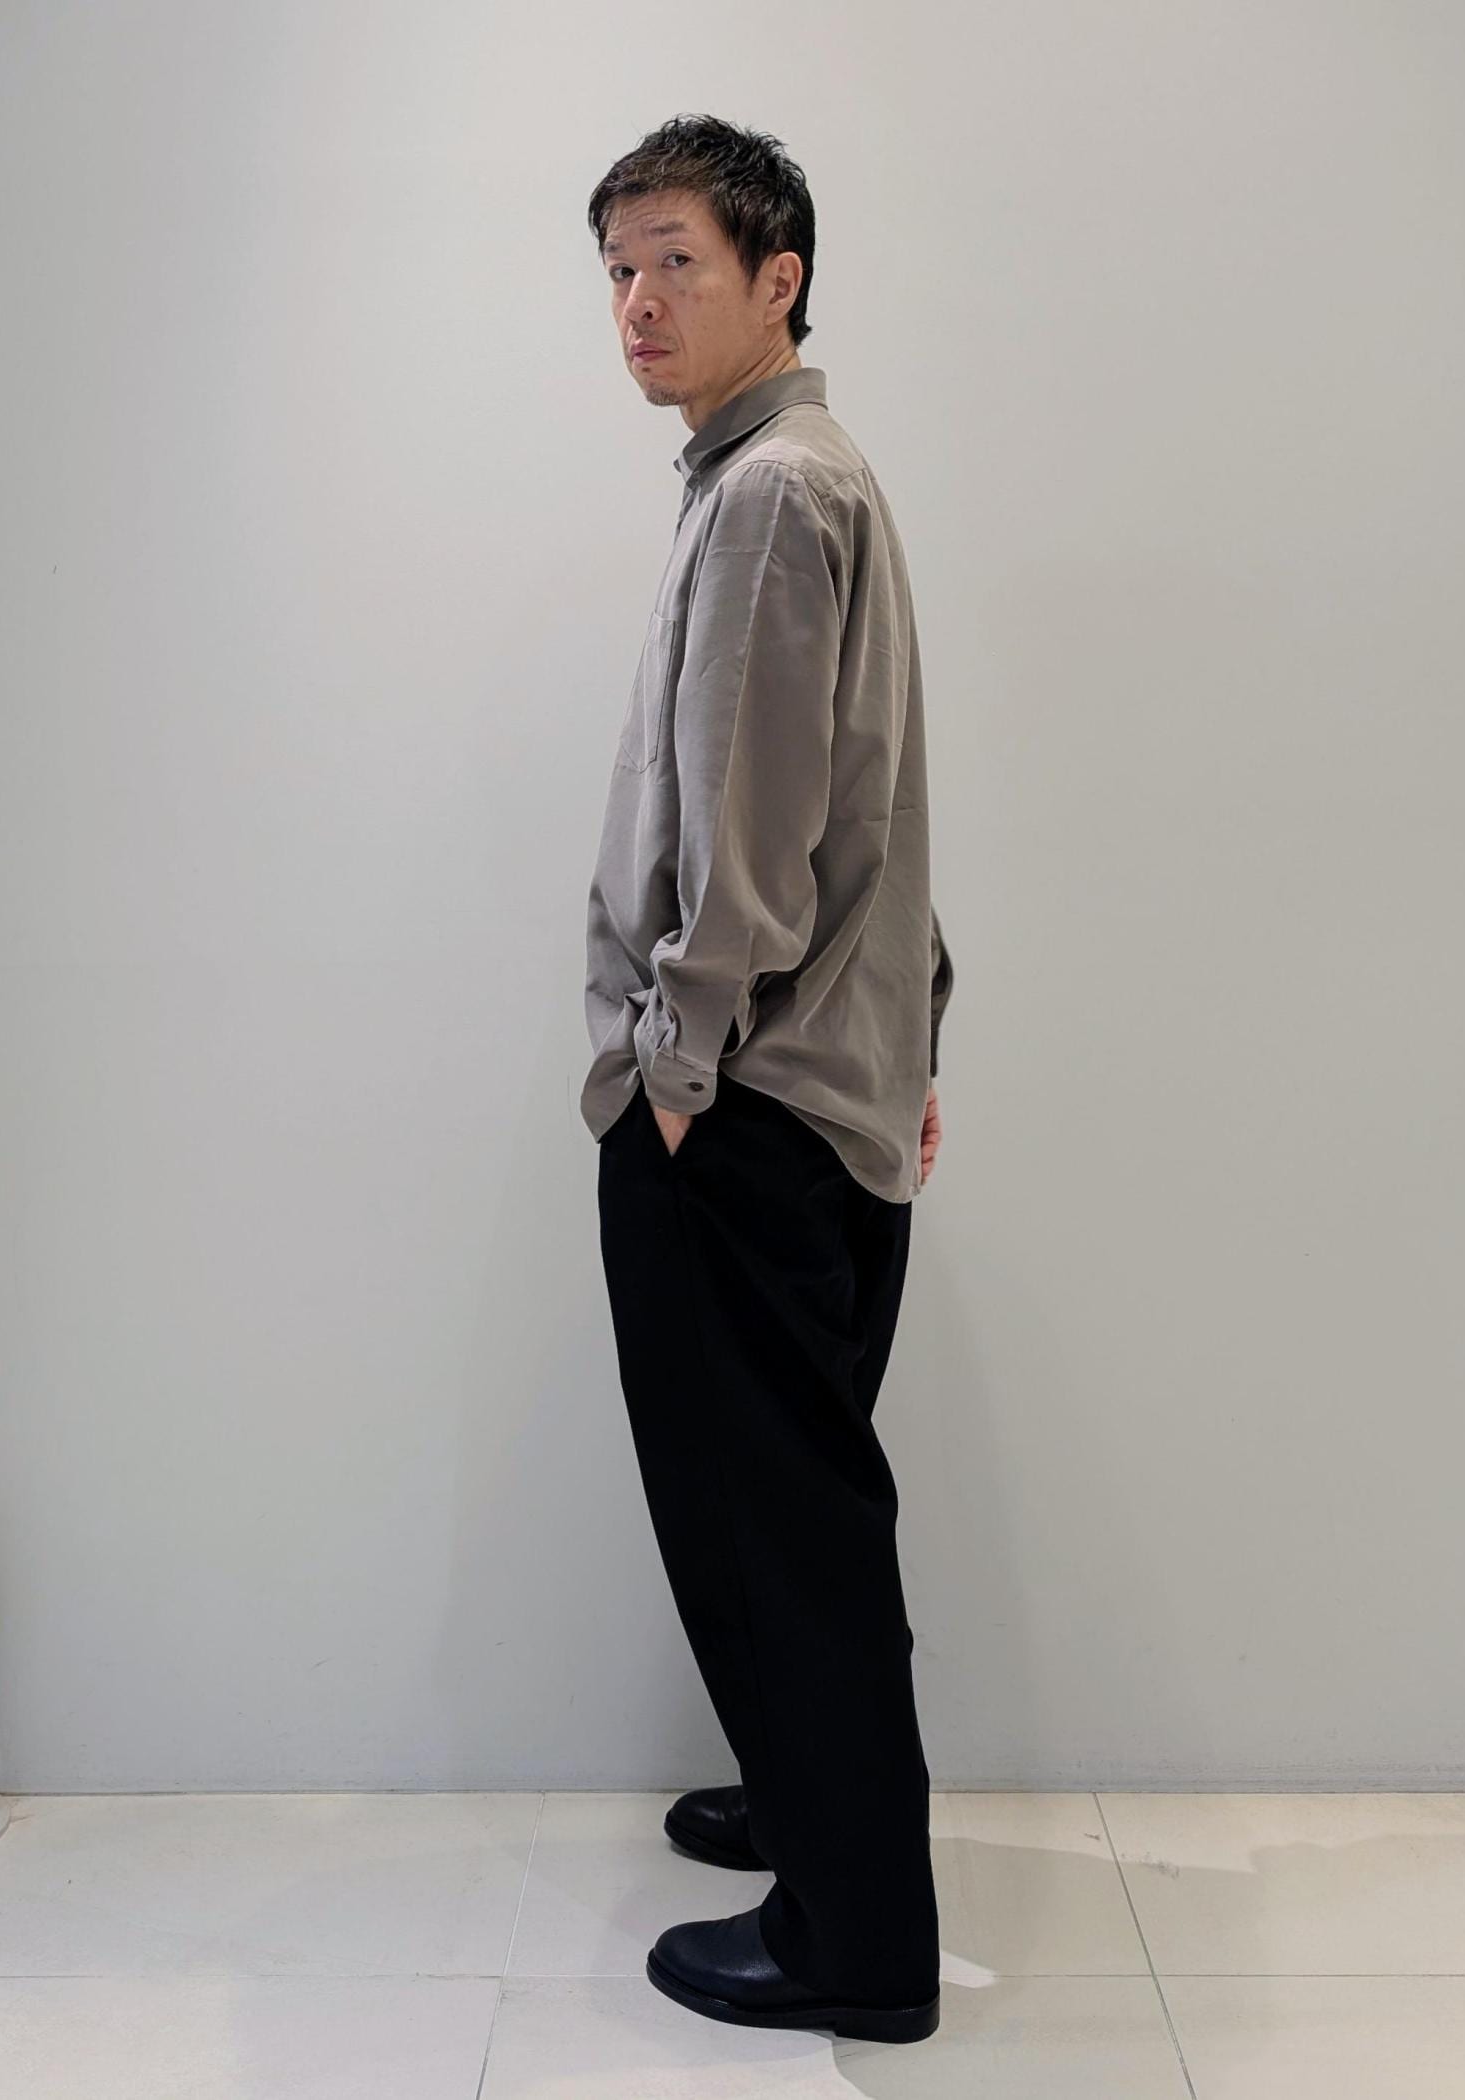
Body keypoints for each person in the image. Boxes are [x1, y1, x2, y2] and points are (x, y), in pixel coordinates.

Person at [579, 114, 954, 2047]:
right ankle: (814, 1810)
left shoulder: (766, 497)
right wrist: (913, 1036)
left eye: (677, 263)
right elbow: (876, 798)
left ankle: (855, 1939)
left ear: (777, 278)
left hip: (738, 1106)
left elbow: (752, 828)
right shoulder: (807, 475)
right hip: (822, 1084)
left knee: (779, 1520)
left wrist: (675, 1067)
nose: (638, 303)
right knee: (794, 1498)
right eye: (617, 271)